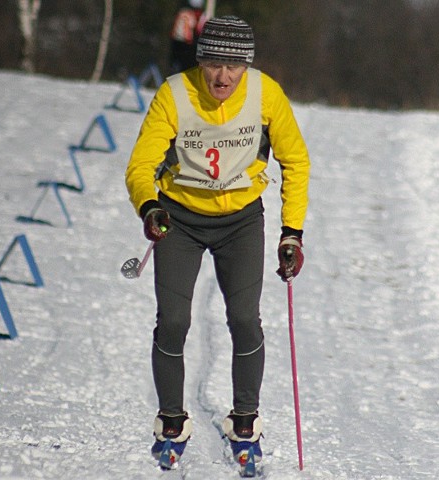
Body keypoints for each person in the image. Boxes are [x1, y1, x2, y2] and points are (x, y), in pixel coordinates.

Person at [125, 15, 310, 469]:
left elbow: (296, 161)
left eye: (233, 67)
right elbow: (140, 164)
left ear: (245, 66)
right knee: (172, 322)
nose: (222, 77)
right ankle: (172, 421)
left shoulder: (267, 94)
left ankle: (245, 422)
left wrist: (292, 233)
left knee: (245, 319)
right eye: (212, 64)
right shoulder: (174, 93)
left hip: (241, 221)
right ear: (200, 59)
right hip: (181, 219)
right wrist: (150, 207)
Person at [168, 0, 207, 74]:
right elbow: (200, 31)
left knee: (175, 69)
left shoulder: (181, 12)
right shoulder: (197, 15)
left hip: (176, 44)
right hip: (187, 47)